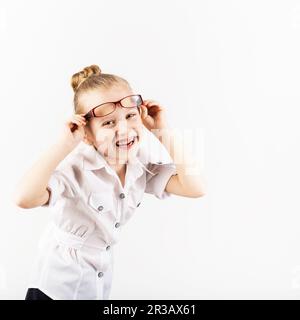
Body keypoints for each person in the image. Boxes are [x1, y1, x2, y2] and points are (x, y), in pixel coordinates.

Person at [14, 64, 205, 300]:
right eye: (108, 123)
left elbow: (195, 187)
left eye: (130, 116)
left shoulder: (139, 165)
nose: (124, 129)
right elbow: (24, 198)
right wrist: (64, 144)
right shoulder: (76, 169)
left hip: (97, 284)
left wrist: (162, 130)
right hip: (56, 288)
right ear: (86, 134)